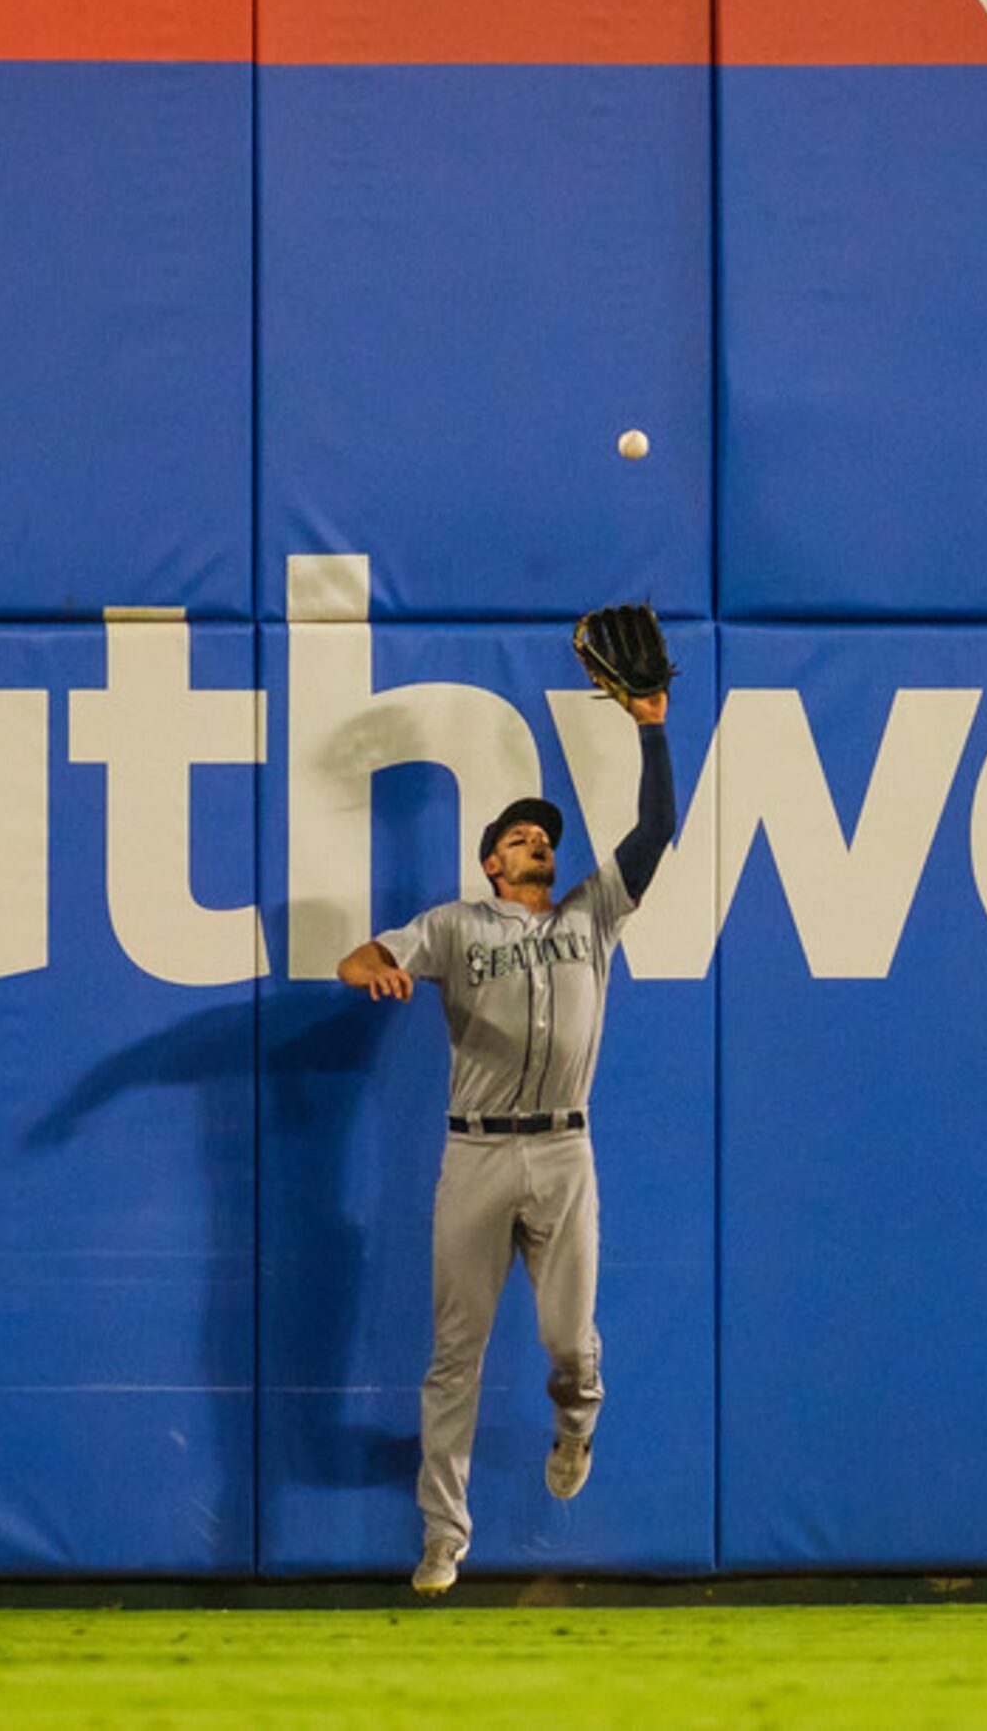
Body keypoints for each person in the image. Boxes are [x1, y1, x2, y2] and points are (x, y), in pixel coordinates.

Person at [336, 674, 676, 1598]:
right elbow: (361, 955)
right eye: (519, 836)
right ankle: (444, 1534)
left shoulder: (589, 916)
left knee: (568, 1344)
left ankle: (576, 1425)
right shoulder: (454, 925)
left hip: (564, 1151)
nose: (537, 841)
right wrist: (372, 970)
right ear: (491, 862)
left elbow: (653, 839)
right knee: (456, 1354)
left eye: (544, 837)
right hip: (477, 1153)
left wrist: (651, 731)